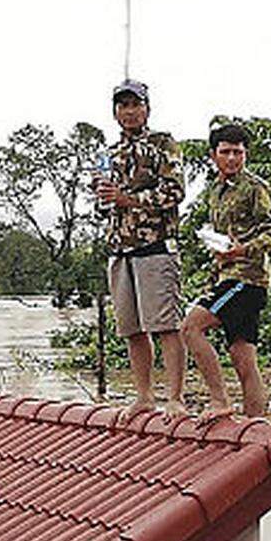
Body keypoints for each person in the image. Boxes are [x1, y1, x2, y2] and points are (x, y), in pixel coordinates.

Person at [96, 79, 187, 422]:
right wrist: (105, 200)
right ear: (115, 112)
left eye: (135, 104)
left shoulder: (164, 144)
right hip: (120, 249)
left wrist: (128, 198)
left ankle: (175, 398)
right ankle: (144, 396)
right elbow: (102, 206)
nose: (129, 111)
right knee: (131, 329)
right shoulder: (107, 154)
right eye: (123, 106)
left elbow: (174, 192)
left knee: (165, 325)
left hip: (156, 246)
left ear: (147, 108)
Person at [180, 124, 271, 423]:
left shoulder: (255, 187)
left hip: (246, 279)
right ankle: (254, 426)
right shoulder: (216, 192)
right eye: (226, 152)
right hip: (227, 276)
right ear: (214, 156)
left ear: (246, 154)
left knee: (190, 328)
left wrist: (242, 250)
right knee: (242, 357)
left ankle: (220, 400)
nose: (233, 158)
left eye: (238, 152)